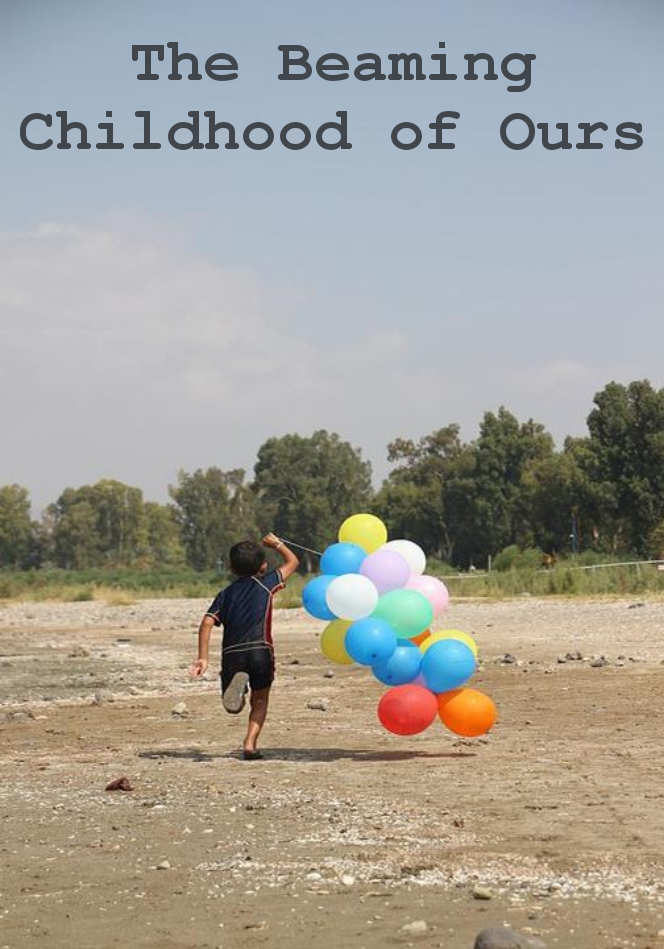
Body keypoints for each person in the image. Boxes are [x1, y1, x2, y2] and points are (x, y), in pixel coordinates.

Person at [189, 533, 299, 760]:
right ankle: (250, 744)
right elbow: (293, 562)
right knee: (260, 699)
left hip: (232, 654)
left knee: (233, 706)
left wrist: (202, 658)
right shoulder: (267, 583)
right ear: (263, 566)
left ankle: (236, 698)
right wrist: (278, 544)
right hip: (260, 650)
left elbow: (207, 622)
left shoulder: (225, 594)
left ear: (231, 568)